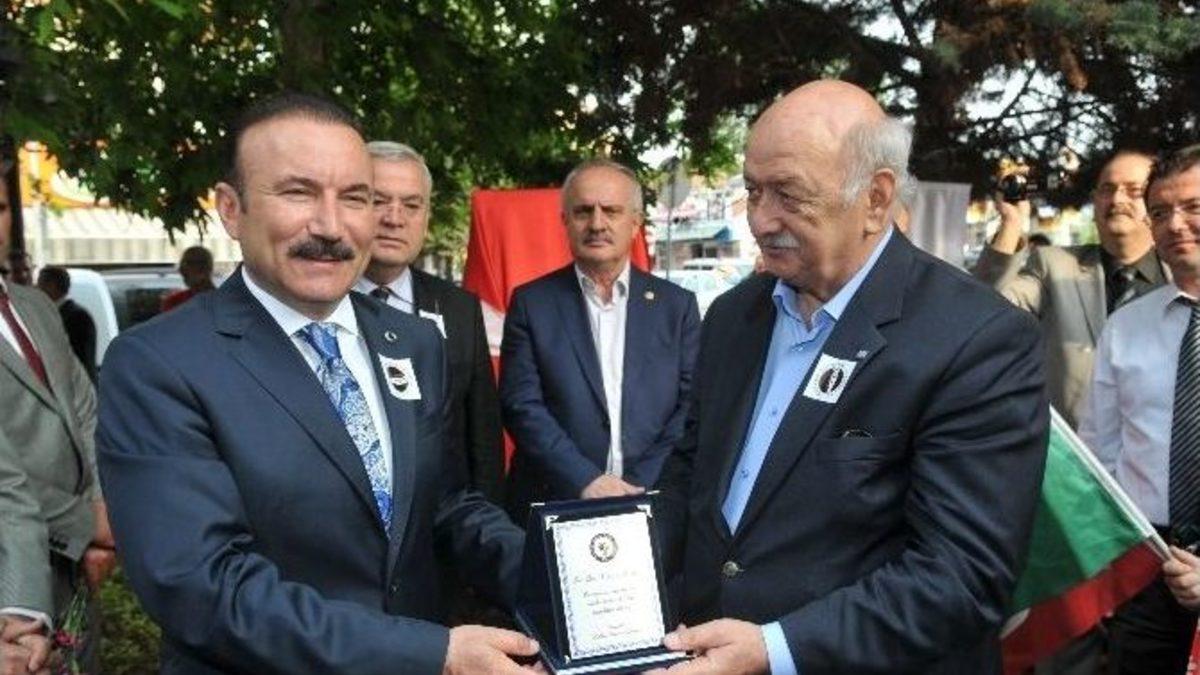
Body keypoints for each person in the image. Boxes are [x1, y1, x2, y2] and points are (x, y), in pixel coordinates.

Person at [96, 92, 537, 674]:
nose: (330, 226)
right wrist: (433, 653)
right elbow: (202, 586)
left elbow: (447, 506)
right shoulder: (157, 365)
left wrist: (564, 581)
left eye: (355, 197)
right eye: (298, 192)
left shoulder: (414, 342)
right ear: (231, 209)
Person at [651, 80, 1047, 675]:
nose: (760, 219)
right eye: (753, 191)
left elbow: (962, 575)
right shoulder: (734, 317)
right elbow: (691, 478)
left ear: (876, 198)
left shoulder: (978, 338)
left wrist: (774, 649)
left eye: (788, 194)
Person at [500, 158, 700, 524]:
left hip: (653, 503)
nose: (597, 224)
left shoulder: (677, 307)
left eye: (611, 210)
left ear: (635, 222)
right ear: (565, 221)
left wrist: (637, 486)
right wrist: (585, 479)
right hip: (557, 502)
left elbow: (691, 406)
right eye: (583, 211)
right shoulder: (532, 303)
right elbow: (521, 404)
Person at [1080, 144, 1200, 675]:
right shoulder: (1126, 326)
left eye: (1193, 207)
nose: (1175, 224)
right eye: (1160, 211)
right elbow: (1100, 455)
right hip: (1146, 565)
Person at [0, 170, 112, 674]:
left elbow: (84, 410)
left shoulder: (36, 306)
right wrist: (88, 526)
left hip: (73, 574)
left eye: (0, 209)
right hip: (14, 577)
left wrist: (105, 506)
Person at [355, 141, 504, 504]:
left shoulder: (459, 309)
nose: (395, 218)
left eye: (411, 205)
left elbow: (483, 437)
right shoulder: (318, 305)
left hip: (447, 524)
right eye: (378, 200)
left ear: (426, 217)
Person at [974, 149, 1165, 428]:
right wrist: (1012, 223)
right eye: (1107, 189)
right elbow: (982, 308)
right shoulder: (1053, 265)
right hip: (1074, 447)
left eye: (1134, 191)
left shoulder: (1183, 275)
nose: (1117, 199)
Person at [35, 266, 97, 382]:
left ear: (52, 286)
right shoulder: (53, 313)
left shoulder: (78, 317)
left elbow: (79, 360)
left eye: (39, 284)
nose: (36, 289)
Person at [160, 245, 216, 311]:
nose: (182, 271)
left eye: (189, 264)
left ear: (205, 268)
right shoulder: (174, 302)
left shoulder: (174, 303)